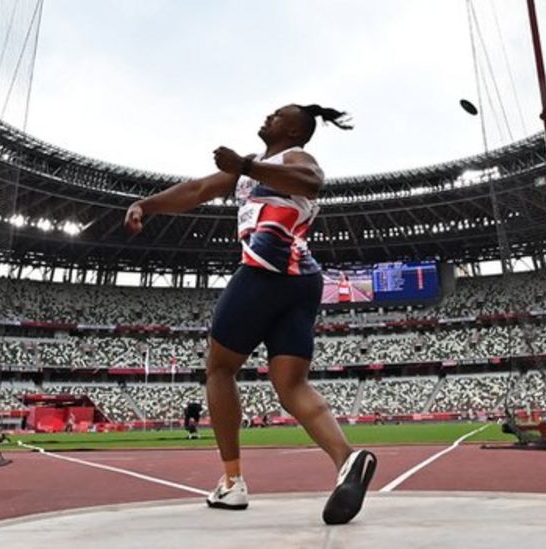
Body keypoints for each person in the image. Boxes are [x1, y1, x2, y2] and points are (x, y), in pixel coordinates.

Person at [125, 104, 377, 525]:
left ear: (294, 128)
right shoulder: (254, 168)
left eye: (277, 115)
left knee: (219, 370)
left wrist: (244, 164)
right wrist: (145, 205)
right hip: (303, 281)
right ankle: (348, 460)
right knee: (291, 384)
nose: (267, 117)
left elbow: (312, 182)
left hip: (265, 269)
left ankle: (232, 482)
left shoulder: (292, 158)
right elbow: (196, 190)